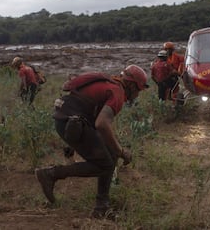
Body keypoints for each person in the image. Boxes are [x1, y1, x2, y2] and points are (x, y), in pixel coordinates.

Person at [35, 65, 149, 219]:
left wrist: (115, 150)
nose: (137, 95)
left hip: (67, 120)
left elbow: (95, 120)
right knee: (105, 164)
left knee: (110, 155)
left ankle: (102, 207)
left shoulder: (111, 84)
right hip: (72, 123)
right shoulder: (117, 92)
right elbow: (101, 124)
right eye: (138, 90)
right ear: (130, 85)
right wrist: (121, 151)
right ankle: (51, 174)